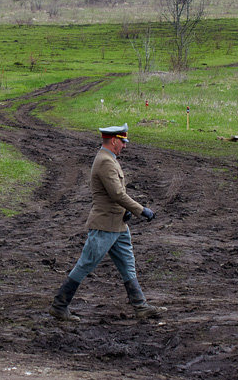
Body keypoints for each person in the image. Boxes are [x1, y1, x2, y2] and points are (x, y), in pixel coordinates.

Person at [50, 123, 166, 322]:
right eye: (123, 142)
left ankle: (140, 306)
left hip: (117, 225)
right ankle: (59, 306)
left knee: (128, 265)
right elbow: (117, 193)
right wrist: (140, 210)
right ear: (114, 141)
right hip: (105, 226)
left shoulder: (109, 159)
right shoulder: (105, 161)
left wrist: (125, 213)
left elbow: (115, 195)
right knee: (86, 264)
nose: (125, 146)